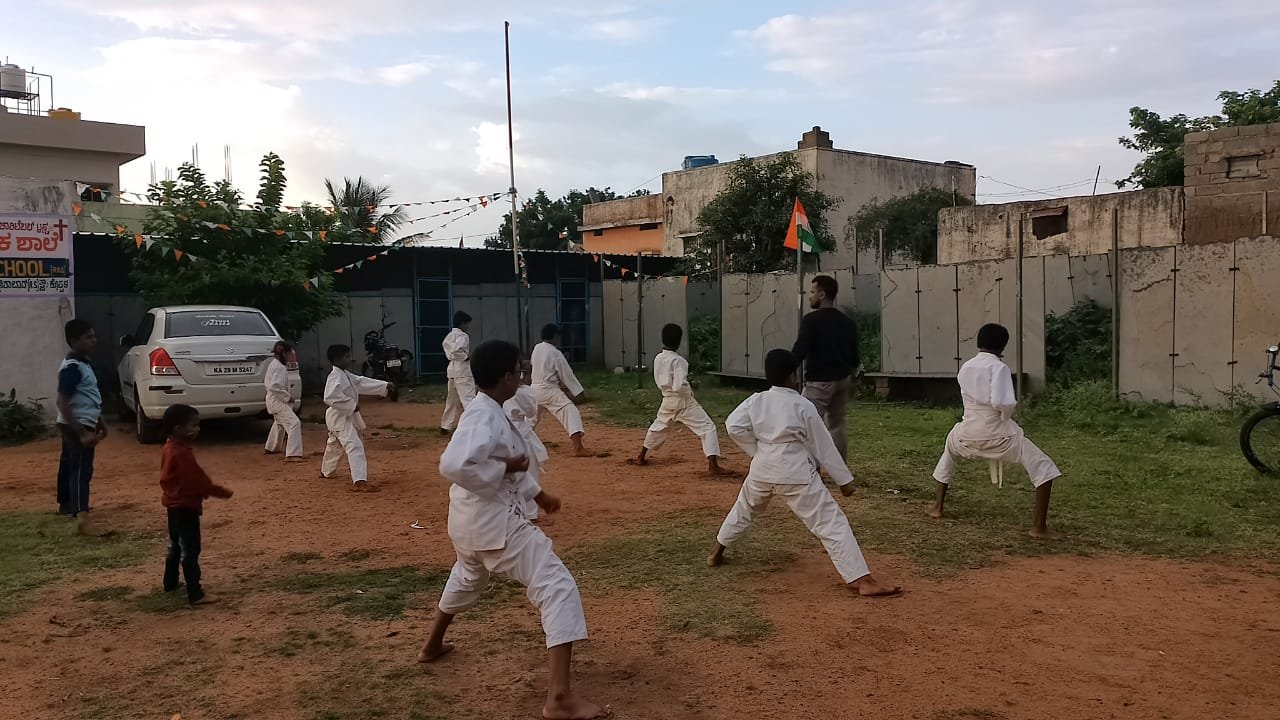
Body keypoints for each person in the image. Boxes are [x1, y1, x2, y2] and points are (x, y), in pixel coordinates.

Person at [420, 339, 608, 720]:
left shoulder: (491, 411)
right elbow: (453, 465)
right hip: (493, 525)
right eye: (519, 371)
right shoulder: (482, 416)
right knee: (556, 585)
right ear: (506, 377)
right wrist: (503, 470)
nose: (522, 378)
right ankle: (558, 699)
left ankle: (432, 645)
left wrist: (537, 496)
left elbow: (507, 465)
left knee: (467, 576)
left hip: (468, 523)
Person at [708, 349, 900, 598]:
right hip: (794, 472)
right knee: (831, 523)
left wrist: (756, 450)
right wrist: (844, 481)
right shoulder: (802, 405)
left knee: (744, 509)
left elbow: (733, 425)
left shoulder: (756, 400)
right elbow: (823, 445)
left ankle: (716, 552)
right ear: (792, 376)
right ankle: (862, 580)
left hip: (763, 469)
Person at [930, 323, 1062, 539]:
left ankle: (937, 507)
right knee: (1045, 468)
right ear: (1002, 347)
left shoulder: (966, 367)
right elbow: (1004, 402)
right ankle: (1039, 527)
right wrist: (1005, 418)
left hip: (966, 434)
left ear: (979, 342)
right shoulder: (998, 367)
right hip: (999, 436)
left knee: (949, 450)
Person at [631, 323, 733, 475]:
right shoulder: (679, 361)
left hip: (667, 399)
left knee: (659, 427)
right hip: (683, 401)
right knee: (707, 427)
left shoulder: (658, 358)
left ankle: (641, 456)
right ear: (679, 341)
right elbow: (679, 386)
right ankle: (713, 466)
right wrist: (689, 390)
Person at [160, 404, 233, 605]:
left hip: (173, 506)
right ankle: (196, 593)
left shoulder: (169, 447)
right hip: (185, 507)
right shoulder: (181, 453)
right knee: (190, 550)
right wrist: (218, 491)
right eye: (192, 425)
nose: (197, 429)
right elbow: (196, 480)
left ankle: (170, 582)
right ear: (178, 429)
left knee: (175, 546)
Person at [792, 275, 860, 462]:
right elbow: (854, 355)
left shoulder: (811, 320)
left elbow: (800, 350)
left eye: (812, 292)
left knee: (807, 424)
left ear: (822, 294)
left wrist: (788, 371)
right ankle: (840, 470)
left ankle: (808, 467)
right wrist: (852, 377)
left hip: (818, 382)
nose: (810, 296)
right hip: (842, 380)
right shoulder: (847, 322)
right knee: (837, 425)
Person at [55, 319, 108, 536]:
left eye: (94, 336)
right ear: (74, 341)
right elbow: (62, 401)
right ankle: (82, 517)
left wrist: (100, 420)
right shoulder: (73, 368)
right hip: (75, 425)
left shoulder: (83, 363)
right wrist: (82, 432)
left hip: (80, 422)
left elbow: (88, 397)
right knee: (80, 470)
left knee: (69, 464)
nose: (94, 340)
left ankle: (67, 504)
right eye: (88, 337)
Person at [321, 344, 395, 493]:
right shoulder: (335, 376)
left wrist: (385, 385)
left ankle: (326, 471)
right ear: (336, 359)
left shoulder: (345, 374)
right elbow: (329, 397)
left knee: (335, 444)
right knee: (354, 445)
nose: (350, 359)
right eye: (347, 357)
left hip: (342, 417)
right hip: (340, 417)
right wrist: (351, 405)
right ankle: (359, 481)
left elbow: (361, 382)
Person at [530, 323, 590, 457]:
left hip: (534, 390)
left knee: (529, 421)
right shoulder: (554, 352)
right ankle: (578, 448)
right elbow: (566, 374)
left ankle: (516, 445)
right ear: (555, 336)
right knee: (571, 411)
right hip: (549, 391)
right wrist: (578, 392)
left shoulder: (537, 348)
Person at [505, 358, 549, 523]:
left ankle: (515, 509)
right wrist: (526, 381)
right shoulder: (521, 391)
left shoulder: (492, 392)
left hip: (504, 432)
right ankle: (530, 513)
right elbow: (531, 412)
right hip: (519, 433)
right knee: (529, 471)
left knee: (509, 475)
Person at [264, 341, 304, 461]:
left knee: (279, 423)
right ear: (284, 353)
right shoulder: (279, 367)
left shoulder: (274, 364)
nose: (292, 356)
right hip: (277, 401)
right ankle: (293, 454)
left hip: (273, 400)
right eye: (290, 353)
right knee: (294, 423)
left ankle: (272, 447)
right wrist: (287, 397)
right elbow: (274, 386)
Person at [440, 310, 477, 434]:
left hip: (452, 371)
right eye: (467, 324)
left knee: (451, 401)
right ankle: (474, 426)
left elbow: (450, 352)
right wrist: (465, 357)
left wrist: (455, 355)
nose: (467, 327)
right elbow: (455, 351)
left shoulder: (449, 336)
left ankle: (445, 426)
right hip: (463, 371)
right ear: (462, 323)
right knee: (469, 399)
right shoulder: (463, 336)